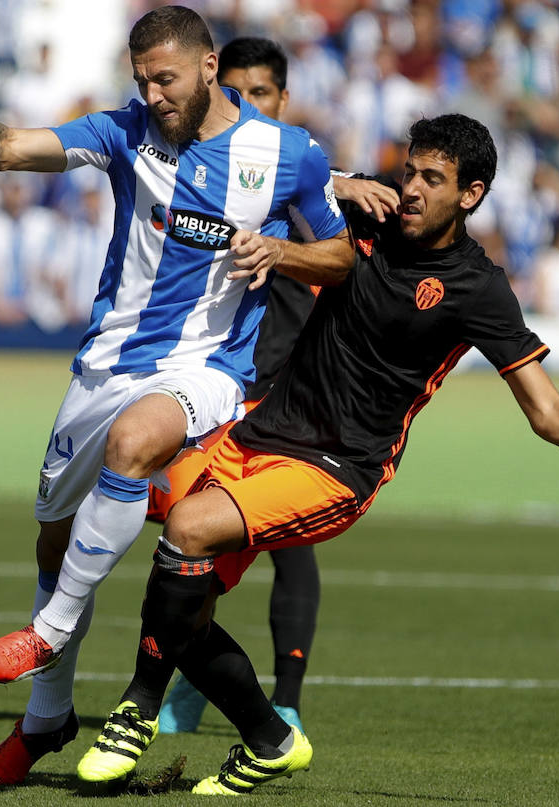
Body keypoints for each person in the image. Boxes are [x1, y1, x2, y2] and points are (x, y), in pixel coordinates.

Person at [74, 113, 559, 795]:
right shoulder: (364, 218)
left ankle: (133, 708)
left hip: (337, 468)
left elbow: (546, 413)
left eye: (434, 178)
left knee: (188, 530)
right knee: (179, 602)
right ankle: (271, 739)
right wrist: (340, 182)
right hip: (258, 436)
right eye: (409, 172)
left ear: (472, 194)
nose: (414, 189)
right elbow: (267, 191)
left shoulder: (477, 286)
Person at [0, 5, 354, 786]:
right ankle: (47, 719)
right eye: (143, 81)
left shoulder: (283, 153)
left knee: (137, 443)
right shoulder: (123, 130)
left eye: (166, 78)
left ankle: (49, 631)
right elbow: (9, 149)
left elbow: (341, 256)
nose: (155, 95)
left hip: (208, 368)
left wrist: (286, 250)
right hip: (106, 363)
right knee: (52, 541)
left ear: (207, 67)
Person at [151, 35, 401, 738]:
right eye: (235, 92)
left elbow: (337, 232)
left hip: (291, 392)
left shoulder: (301, 170)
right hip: (221, 380)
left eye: (259, 93)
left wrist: (344, 181)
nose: (246, 105)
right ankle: (198, 682)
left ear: (282, 100)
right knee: (191, 534)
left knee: (290, 545)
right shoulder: (206, 167)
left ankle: (286, 698)